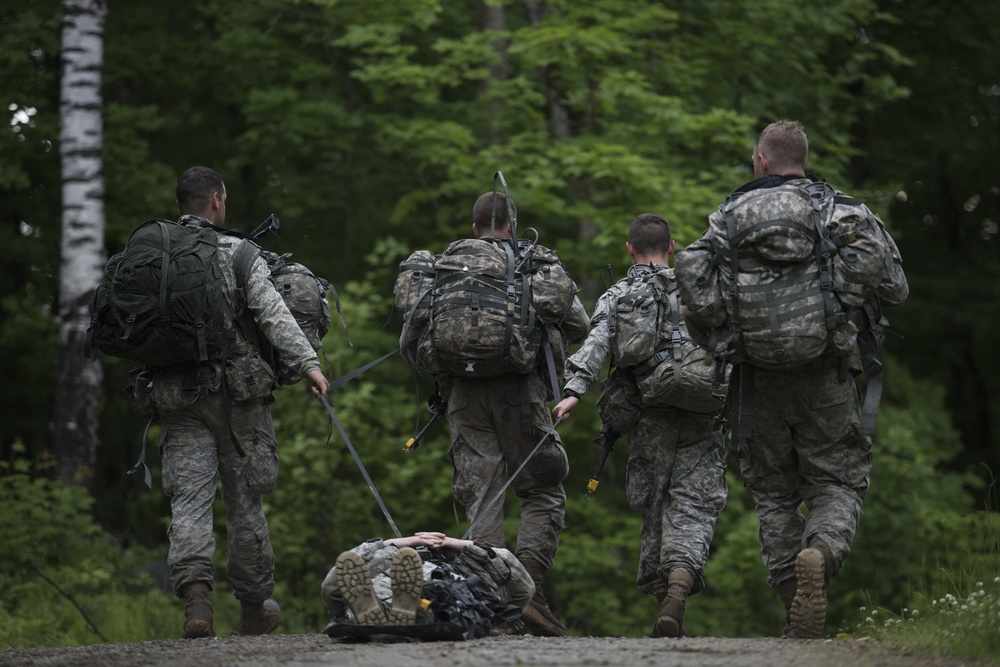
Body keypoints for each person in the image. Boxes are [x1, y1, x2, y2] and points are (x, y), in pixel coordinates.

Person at [676, 120, 908, 638]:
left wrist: (721, 329)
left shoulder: (728, 216)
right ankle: (820, 553)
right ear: (803, 159)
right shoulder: (840, 210)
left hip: (755, 381)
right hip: (825, 371)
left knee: (774, 494)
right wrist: (838, 302)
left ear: (761, 161)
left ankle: (791, 606)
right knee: (837, 479)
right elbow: (895, 288)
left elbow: (692, 275)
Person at [152, 166, 331, 639]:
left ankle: (197, 603)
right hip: (237, 399)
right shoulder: (237, 252)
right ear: (215, 201)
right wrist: (309, 364)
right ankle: (254, 608)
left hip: (176, 395)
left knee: (189, 500)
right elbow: (273, 314)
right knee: (246, 501)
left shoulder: (155, 256)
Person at [407, 191, 590, 637]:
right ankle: (529, 590)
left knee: (482, 497)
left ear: (475, 229)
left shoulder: (447, 266)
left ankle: (493, 605)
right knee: (544, 491)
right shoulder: (529, 263)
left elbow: (412, 332)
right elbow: (580, 324)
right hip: (520, 395)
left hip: (463, 398)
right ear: (511, 224)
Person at [552, 213, 728, 638]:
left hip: (649, 415)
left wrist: (574, 390)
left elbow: (595, 344)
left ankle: (662, 598)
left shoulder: (620, 294)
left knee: (654, 508)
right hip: (705, 413)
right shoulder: (702, 289)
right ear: (671, 248)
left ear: (629, 249)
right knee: (695, 504)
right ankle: (678, 591)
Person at [321, 531, 535, 639]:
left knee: (382, 585)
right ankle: (390, 617)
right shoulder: (386, 562)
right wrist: (396, 545)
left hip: (443, 603)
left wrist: (452, 543)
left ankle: (380, 619)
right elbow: (522, 584)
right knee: (378, 576)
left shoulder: (472, 579)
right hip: (436, 608)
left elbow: (330, 587)